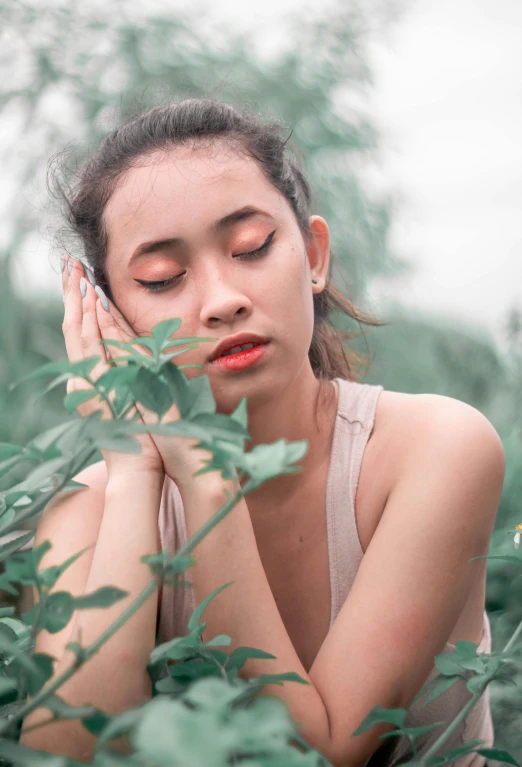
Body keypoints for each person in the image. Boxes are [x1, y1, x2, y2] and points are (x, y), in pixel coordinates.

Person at [19, 98, 504, 766]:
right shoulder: (89, 510)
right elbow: (65, 754)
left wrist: (204, 471)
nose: (222, 300)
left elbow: (322, 751)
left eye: (251, 247)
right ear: (107, 317)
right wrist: (135, 470)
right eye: (163, 279)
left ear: (314, 255)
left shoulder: (436, 448)